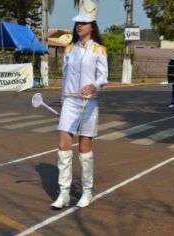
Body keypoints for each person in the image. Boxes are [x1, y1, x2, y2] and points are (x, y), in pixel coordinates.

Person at [51, 0, 108, 209]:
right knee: (63, 146)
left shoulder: (99, 50)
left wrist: (93, 85)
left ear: (92, 26)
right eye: (78, 23)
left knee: (84, 147)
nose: (79, 26)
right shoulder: (69, 49)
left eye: (83, 23)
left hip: (90, 103)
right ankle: (64, 193)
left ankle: (87, 192)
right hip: (70, 101)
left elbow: (103, 77)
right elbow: (65, 77)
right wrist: (63, 101)